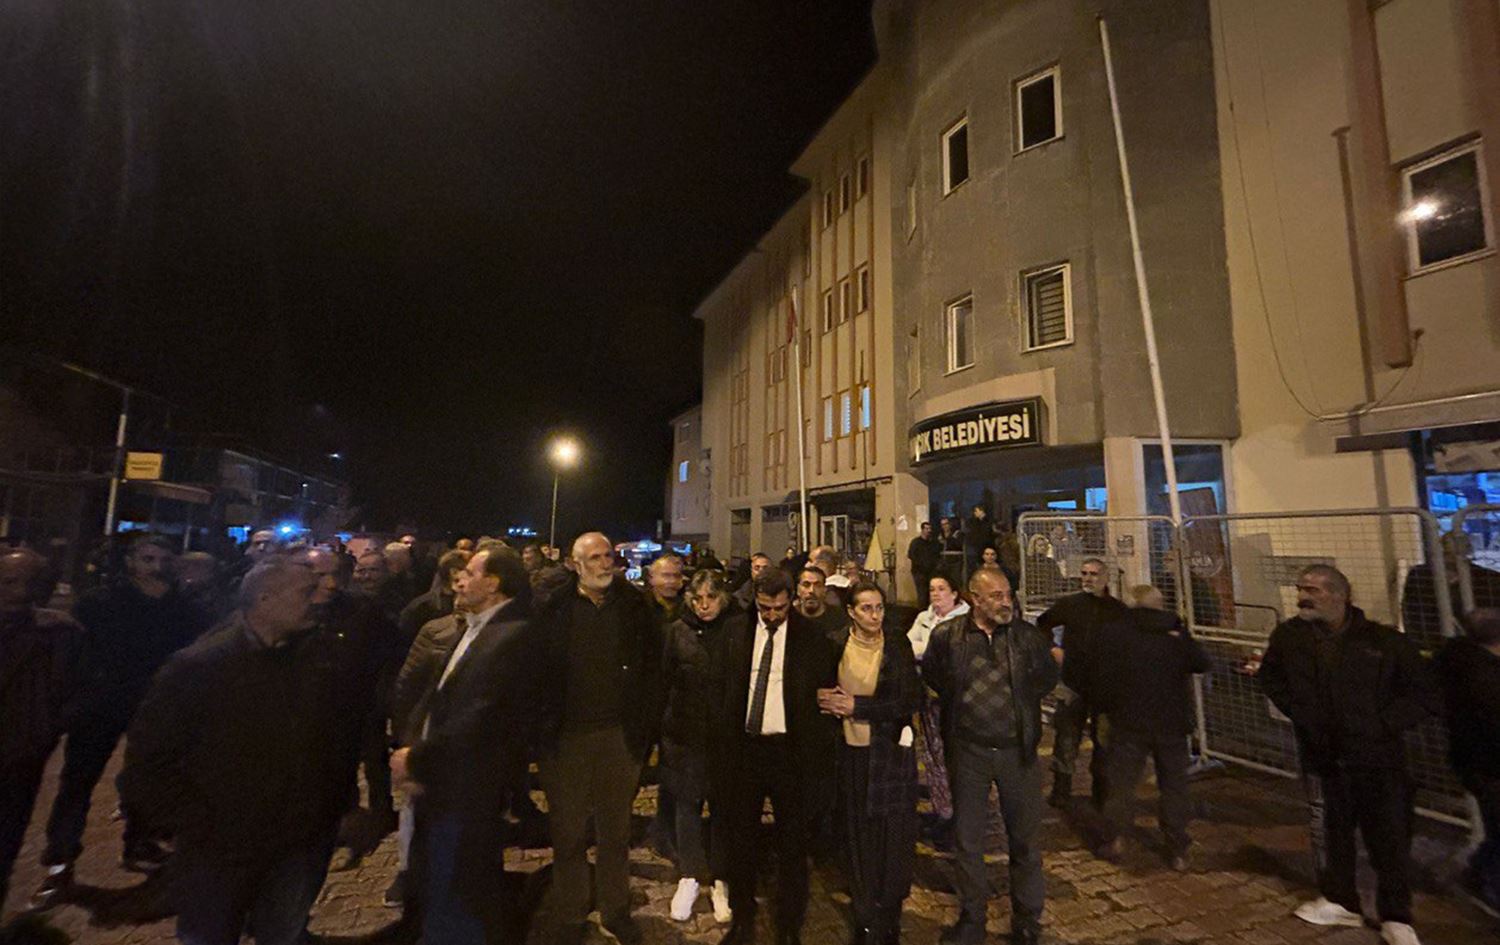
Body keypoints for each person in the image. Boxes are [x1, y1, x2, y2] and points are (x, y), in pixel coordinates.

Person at [120, 556, 371, 945]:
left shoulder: (322, 657)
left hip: (298, 840)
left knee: (283, 933)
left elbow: (338, 738)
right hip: (222, 849)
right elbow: (148, 763)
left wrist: (339, 805)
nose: (321, 597)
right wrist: (198, 824)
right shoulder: (200, 666)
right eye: (307, 592)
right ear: (266, 599)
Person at [1259, 565, 1439, 945]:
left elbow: (1423, 694)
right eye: (1300, 589)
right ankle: (1340, 899)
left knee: (1388, 837)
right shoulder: (1289, 637)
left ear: (1340, 594)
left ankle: (1396, 915)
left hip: (1379, 760)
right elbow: (1270, 677)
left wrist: (1383, 724)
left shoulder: (1383, 642)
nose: (1302, 597)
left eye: (1313, 590)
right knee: (1331, 832)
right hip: (1322, 757)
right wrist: (1299, 712)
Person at [32, 534, 211, 907]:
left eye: (163, 559)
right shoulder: (101, 603)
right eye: (148, 559)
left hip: (154, 705)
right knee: (78, 781)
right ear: (131, 561)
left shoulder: (185, 609)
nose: (156, 567)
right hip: (101, 704)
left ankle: (140, 842)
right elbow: (76, 650)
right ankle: (60, 862)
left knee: (146, 777)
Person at [391, 546, 533, 945]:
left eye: (470, 573)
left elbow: (480, 717)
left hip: (467, 784)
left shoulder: (510, 636)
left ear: (493, 583)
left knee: (458, 885)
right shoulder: (471, 627)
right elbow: (437, 697)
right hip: (441, 778)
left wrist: (418, 759)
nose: (460, 581)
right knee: (440, 878)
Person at [530, 532, 663, 945]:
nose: (606, 564)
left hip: (618, 737)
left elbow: (654, 669)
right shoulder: (552, 609)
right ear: (575, 564)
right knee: (568, 832)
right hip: (566, 739)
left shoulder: (636, 607)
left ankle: (615, 910)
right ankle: (571, 911)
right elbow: (535, 673)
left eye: (608, 556)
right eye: (595, 558)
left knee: (615, 832)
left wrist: (644, 729)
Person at [921, 567, 1057, 945]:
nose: (1005, 602)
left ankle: (1027, 920)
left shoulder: (1027, 637)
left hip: (1017, 752)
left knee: (1024, 840)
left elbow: (1046, 678)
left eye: (1008, 594)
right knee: (968, 840)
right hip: (970, 751)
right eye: (996, 596)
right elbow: (935, 676)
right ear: (975, 599)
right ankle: (972, 919)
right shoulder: (948, 636)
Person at [712, 568, 838, 945]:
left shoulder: (811, 638)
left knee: (792, 843)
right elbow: (719, 686)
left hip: (790, 751)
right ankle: (743, 917)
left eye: (779, 608)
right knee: (741, 839)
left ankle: (788, 924)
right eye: (764, 608)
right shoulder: (734, 631)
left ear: (790, 601)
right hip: (745, 749)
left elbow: (823, 697)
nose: (771, 616)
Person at [819, 582, 923, 945]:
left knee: (892, 838)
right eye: (866, 608)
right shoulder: (835, 643)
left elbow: (910, 698)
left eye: (879, 607)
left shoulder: (896, 644)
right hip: (849, 752)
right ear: (851, 611)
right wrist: (824, 699)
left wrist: (858, 707)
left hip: (888, 753)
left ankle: (889, 915)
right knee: (858, 836)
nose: (875, 615)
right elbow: (822, 690)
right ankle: (865, 916)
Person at [1089, 585, 1211, 868]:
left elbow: (1103, 676)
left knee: (1122, 783)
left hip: (1129, 721)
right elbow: (1201, 662)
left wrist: (1107, 708)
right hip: (1171, 722)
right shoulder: (1175, 630)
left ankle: (1117, 838)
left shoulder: (1116, 632)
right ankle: (1177, 847)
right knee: (1174, 786)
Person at [0, 549, 86, 908]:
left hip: (18, 754)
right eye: (9, 581)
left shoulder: (59, 634)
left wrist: (45, 730)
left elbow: (74, 689)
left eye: (30, 582)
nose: (19, 591)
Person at [660, 570, 736, 925]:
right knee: (687, 804)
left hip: (724, 735)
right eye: (698, 599)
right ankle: (689, 875)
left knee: (723, 807)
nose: (705, 606)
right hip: (685, 733)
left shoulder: (735, 630)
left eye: (712, 598)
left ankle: (721, 878)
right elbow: (663, 681)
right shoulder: (676, 632)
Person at [1035, 557, 1128, 808]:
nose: (1088, 578)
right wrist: (1053, 648)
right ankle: (1061, 789)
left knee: (1104, 740)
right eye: (1084, 573)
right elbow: (1042, 624)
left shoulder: (1118, 611)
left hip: (1104, 686)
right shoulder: (1071, 604)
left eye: (1094, 574)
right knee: (1067, 737)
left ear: (1106, 578)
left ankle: (1102, 790)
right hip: (1073, 681)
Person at [1436, 607, 1500, 917]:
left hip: (1474, 764)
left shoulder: (1459, 662)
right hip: (1490, 767)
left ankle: (1479, 870)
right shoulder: (1485, 678)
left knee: (1496, 827)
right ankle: (1491, 889)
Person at [906, 573, 969, 846]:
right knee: (932, 754)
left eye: (942, 589)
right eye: (932, 589)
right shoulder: (924, 618)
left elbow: (945, 655)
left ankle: (957, 816)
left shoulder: (964, 621)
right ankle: (942, 809)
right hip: (927, 697)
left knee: (952, 756)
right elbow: (909, 646)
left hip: (954, 700)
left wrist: (925, 649)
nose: (936, 594)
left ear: (955, 594)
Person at [795, 565, 846, 641]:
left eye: (818, 585)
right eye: (806, 585)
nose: (811, 590)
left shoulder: (839, 618)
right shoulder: (790, 617)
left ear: (824, 590)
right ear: (798, 590)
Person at [906, 522, 943, 610]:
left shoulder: (933, 543)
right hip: (919, 571)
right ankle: (922, 611)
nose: (928, 531)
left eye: (930, 529)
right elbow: (911, 555)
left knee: (929, 593)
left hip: (930, 571)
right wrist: (921, 564)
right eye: (926, 528)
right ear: (922, 530)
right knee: (922, 593)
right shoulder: (916, 542)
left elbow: (937, 554)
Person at [962, 505, 990, 575]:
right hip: (978, 548)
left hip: (983, 547)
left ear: (981, 511)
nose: (975, 513)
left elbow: (984, 535)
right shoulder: (976, 522)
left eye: (976, 511)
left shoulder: (987, 522)